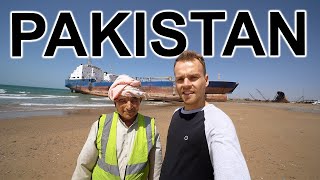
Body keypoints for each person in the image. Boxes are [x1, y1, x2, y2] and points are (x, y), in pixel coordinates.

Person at [160, 50, 250, 180]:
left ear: (206, 80)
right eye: (180, 79)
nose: (186, 84)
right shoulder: (176, 114)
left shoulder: (218, 122)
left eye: (193, 77)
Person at [72, 74, 162, 180]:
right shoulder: (100, 125)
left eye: (134, 100)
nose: (129, 106)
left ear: (140, 101)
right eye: (122, 101)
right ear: (115, 102)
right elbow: (84, 165)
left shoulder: (150, 127)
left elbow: (156, 170)